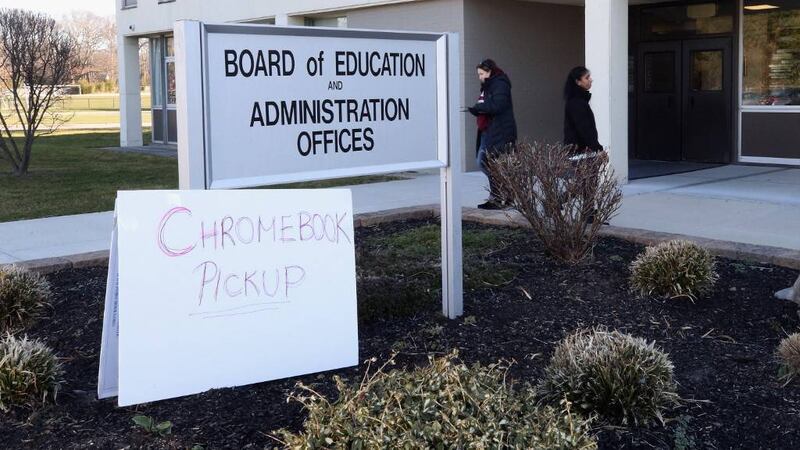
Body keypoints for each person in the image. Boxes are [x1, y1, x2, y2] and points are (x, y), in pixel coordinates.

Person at [468, 59, 517, 210]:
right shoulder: (489, 85)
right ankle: (502, 195)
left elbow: (498, 105)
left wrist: (479, 107)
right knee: (488, 162)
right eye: (479, 74)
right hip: (489, 130)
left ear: (489, 72)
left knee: (485, 162)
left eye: (482, 74)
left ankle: (499, 196)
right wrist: (478, 109)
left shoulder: (500, 84)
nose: (480, 77)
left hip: (499, 131)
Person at [563, 66, 604, 223]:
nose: (590, 80)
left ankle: (589, 215)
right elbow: (584, 129)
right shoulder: (577, 103)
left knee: (586, 183)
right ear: (578, 82)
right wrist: (598, 148)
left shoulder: (579, 101)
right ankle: (587, 214)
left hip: (583, 150)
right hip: (581, 151)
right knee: (586, 183)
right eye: (587, 77)